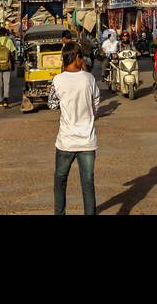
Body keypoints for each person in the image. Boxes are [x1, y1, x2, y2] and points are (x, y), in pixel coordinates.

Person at [49, 41, 98, 215]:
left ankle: (59, 213)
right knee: (87, 183)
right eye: (81, 57)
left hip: (66, 141)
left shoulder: (57, 80)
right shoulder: (89, 78)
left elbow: (52, 105)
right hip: (87, 140)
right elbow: (95, 105)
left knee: (60, 179)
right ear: (77, 58)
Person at [0, 26, 17, 108]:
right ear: (6, 33)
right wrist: (13, 64)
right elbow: (13, 53)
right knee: (6, 82)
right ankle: (6, 99)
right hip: (7, 64)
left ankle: (0, 100)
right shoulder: (9, 41)